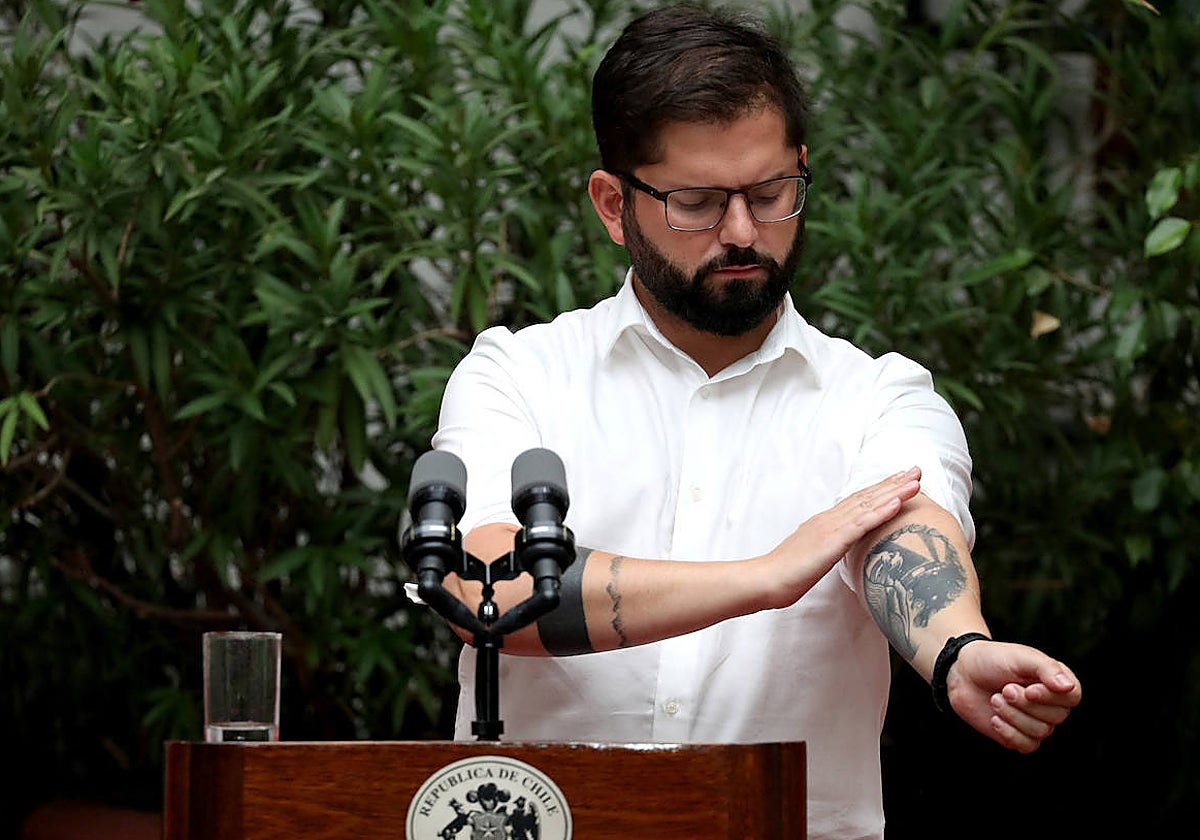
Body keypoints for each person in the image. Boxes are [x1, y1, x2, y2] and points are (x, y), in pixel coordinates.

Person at [429, 4, 1082, 838]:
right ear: (611, 203)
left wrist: (958, 649)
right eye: (697, 202)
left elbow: (906, 540)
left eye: (771, 193)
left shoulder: (878, 397)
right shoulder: (517, 376)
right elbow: (482, 587)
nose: (743, 233)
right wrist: (762, 578)